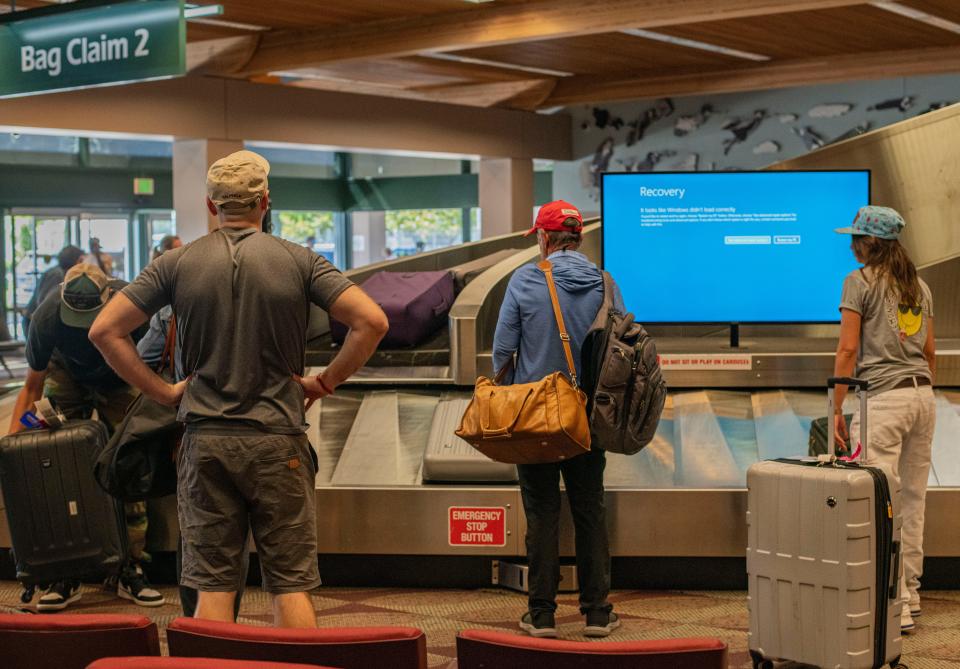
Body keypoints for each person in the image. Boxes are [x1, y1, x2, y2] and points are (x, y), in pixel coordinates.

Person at [90, 150, 388, 627]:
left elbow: (105, 330)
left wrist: (166, 393)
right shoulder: (301, 260)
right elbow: (371, 321)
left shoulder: (176, 264)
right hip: (278, 442)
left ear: (212, 207)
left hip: (205, 443)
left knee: (212, 584)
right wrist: (325, 381)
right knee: (290, 584)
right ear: (265, 202)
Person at [492, 200, 623, 639]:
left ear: (545, 240)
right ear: (579, 238)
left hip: (537, 414)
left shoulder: (526, 279)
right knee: (590, 508)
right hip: (588, 416)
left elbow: (502, 349)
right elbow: (620, 348)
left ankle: (543, 614)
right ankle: (597, 613)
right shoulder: (606, 283)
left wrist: (513, 388)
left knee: (542, 509)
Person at [6, 263, 164, 611]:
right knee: (53, 462)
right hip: (68, 374)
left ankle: (130, 565)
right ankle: (65, 572)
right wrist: (11, 449)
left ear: (108, 297)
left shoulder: (132, 304)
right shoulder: (46, 317)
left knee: (131, 459)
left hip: (121, 373)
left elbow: (151, 368)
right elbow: (32, 387)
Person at [833, 205, 936, 635]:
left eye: (855, 238)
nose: (851, 245)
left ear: (867, 243)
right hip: (923, 397)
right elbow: (930, 351)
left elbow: (848, 349)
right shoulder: (920, 286)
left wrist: (836, 407)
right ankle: (909, 595)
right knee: (912, 501)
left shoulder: (860, 282)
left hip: (884, 400)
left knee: (879, 503)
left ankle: (892, 605)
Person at [22, 245, 85, 335]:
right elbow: (45, 304)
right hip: (35, 323)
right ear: (76, 260)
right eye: (81, 260)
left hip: (36, 322)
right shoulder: (56, 275)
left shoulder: (60, 273)